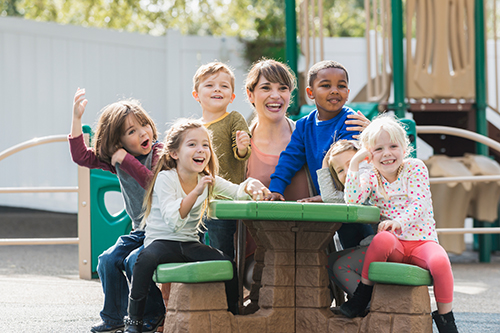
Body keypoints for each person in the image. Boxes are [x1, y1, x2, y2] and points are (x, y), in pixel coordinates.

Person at [123, 119, 270, 333]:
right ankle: (134, 321)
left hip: (189, 244)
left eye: (205, 145)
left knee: (227, 264)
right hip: (161, 242)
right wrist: (196, 192)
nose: (200, 149)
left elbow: (236, 192)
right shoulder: (166, 178)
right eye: (192, 144)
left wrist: (251, 184)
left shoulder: (207, 179)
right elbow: (174, 220)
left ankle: (232, 315)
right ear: (174, 153)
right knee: (144, 260)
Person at [339, 115, 458, 333]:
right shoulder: (371, 176)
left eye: (393, 146)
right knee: (382, 238)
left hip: (421, 242)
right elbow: (353, 200)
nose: (387, 154)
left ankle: (446, 319)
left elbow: (419, 203)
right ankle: (362, 295)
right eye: (378, 149)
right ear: (369, 155)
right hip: (395, 244)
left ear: (404, 148)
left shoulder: (415, 168)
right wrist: (355, 163)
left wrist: (398, 221)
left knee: (441, 262)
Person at [69, 88, 165, 333]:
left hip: (162, 231)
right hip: (140, 231)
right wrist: (77, 119)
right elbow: (81, 157)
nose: (143, 132)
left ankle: (155, 315)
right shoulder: (118, 159)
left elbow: (151, 182)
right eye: (132, 132)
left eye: (144, 125)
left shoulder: (159, 152)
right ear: (118, 142)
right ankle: (114, 318)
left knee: (136, 261)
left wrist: (125, 159)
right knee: (107, 260)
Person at [265, 60, 373, 249]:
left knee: (364, 242)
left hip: (358, 202)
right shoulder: (304, 126)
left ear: (348, 93)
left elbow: (350, 168)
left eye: (341, 86)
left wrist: (326, 197)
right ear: (310, 93)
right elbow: (289, 159)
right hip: (332, 204)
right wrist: (276, 189)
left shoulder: (350, 122)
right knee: (334, 247)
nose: (334, 90)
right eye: (325, 85)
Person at [192, 61, 251, 259]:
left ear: (232, 96)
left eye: (224, 86)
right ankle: (200, 288)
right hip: (197, 201)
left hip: (224, 201)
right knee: (193, 247)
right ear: (196, 95)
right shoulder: (193, 127)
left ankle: (228, 289)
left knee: (222, 250)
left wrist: (242, 147)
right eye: (209, 85)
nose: (217, 88)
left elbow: (242, 153)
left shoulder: (233, 118)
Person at [318, 140, 375, 300]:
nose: (348, 171)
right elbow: (329, 197)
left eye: (352, 164)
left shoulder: (371, 185)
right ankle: (363, 300)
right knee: (329, 261)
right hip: (369, 248)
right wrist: (325, 162)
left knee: (340, 266)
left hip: (385, 248)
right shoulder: (349, 196)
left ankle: (369, 302)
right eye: (340, 170)